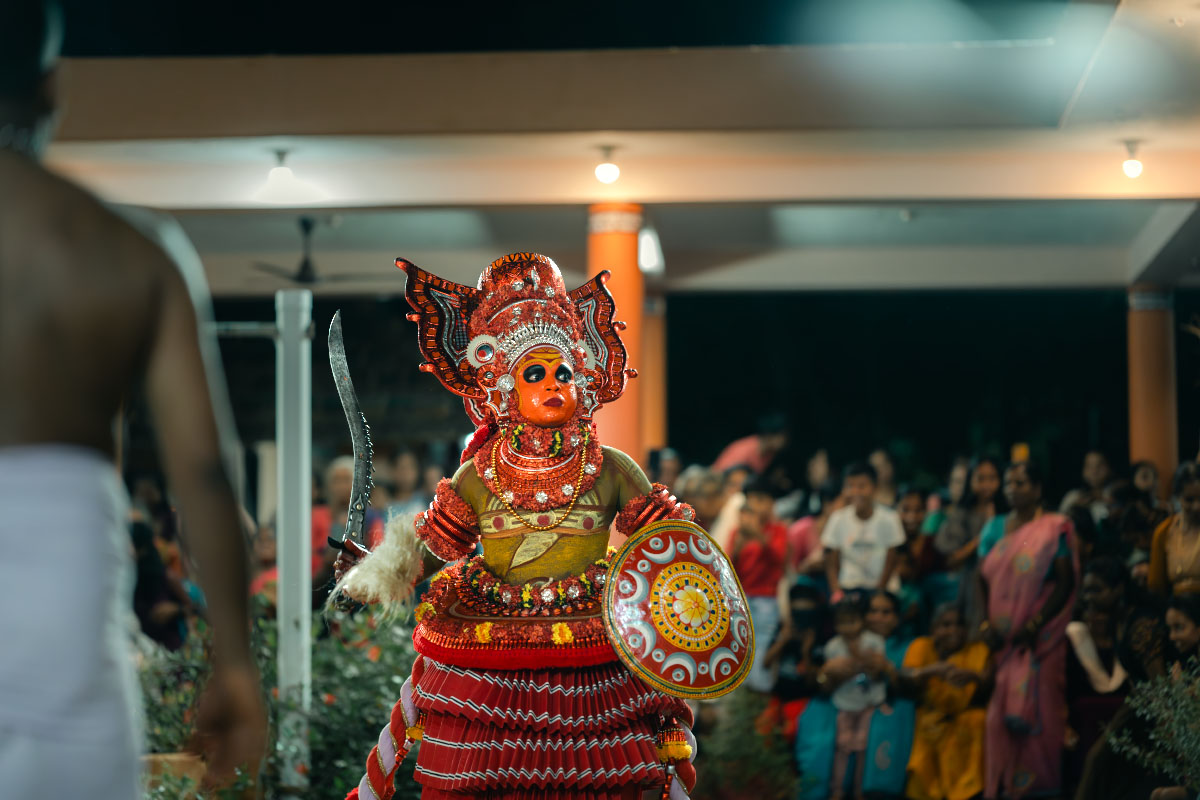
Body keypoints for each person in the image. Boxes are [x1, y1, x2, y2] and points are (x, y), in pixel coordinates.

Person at [334, 254, 745, 799]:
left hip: (593, 653)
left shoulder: (612, 469)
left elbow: (672, 547)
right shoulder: (478, 474)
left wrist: (693, 612)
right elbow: (433, 548)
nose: (552, 382)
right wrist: (370, 574)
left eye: (562, 372)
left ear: (583, 379)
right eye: (535, 373)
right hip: (492, 651)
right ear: (503, 386)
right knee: (481, 780)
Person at [0, 3, 265, 795]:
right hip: (66, 584)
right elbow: (206, 477)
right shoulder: (130, 252)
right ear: (50, 88)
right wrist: (237, 667)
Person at [977, 461, 1078, 799]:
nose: (1012, 489)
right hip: (1002, 642)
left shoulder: (1053, 528)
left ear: (1037, 489)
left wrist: (1035, 624)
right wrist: (985, 625)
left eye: (1021, 483)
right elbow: (982, 578)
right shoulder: (994, 528)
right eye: (1009, 482)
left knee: (1042, 710)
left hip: (1040, 640)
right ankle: (1002, 786)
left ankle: (1042, 790)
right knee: (998, 717)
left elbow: (1065, 581)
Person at [898, 603, 992, 800]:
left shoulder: (977, 649)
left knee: (977, 720)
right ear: (934, 629)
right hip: (928, 720)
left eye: (959, 625)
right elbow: (904, 677)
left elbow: (988, 687)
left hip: (962, 721)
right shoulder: (921, 645)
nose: (953, 630)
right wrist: (930, 671)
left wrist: (974, 677)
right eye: (946, 624)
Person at [1064, 558, 1129, 793]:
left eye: (1097, 590)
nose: (1097, 616)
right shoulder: (1074, 637)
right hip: (1083, 727)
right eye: (1087, 592)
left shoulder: (1126, 636)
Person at [821, 598, 890, 800]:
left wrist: (858, 657)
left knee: (863, 750)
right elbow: (829, 677)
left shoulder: (874, 642)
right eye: (842, 623)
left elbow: (878, 670)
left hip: (869, 704)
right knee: (842, 748)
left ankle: (860, 791)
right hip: (844, 704)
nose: (848, 628)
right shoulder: (832, 647)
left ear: (862, 621)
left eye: (852, 622)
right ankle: (838, 791)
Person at [933, 457, 1004, 631]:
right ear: (970, 481)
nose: (986, 485)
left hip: (1004, 580)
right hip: (972, 584)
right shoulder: (962, 513)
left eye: (992, 478)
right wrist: (984, 534)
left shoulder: (1009, 512)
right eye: (980, 478)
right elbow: (952, 559)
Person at [733, 482, 789, 692]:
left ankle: (760, 695)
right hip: (742, 599)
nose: (756, 505)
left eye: (762, 500)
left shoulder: (778, 531)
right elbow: (729, 569)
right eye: (752, 499)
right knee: (741, 649)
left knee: (760, 647)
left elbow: (779, 561)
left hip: (766, 599)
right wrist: (738, 547)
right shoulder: (738, 532)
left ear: (772, 504)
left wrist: (758, 536)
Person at [822, 462, 905, 603]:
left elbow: (892, 559)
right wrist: (836, 591)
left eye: (861, 486)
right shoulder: (838, 518)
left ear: (874, 488)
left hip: (883, 588)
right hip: (849, 587)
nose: (855, 492)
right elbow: (831, 559)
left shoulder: (890, 518)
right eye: (850, 486)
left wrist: (879, 591)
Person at [1148, 462, 1200, 598]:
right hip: (1176, 609)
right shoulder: (1164, 532)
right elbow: (1156, 586)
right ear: (1177, 497)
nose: (1197, 507)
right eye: (1189, 500)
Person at [711, 412, 789, 476]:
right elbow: (717, 475)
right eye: (782, 436)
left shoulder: (770, 453)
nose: (785, 440)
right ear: (769, 435)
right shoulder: (744, 449)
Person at [1060, 450, 1113, 525]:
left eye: (1100, 466)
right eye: (1089, 466)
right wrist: (1076, 508)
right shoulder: (1072, 497)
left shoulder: (1115, 497)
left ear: (1110, 468)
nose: (1094, 471)